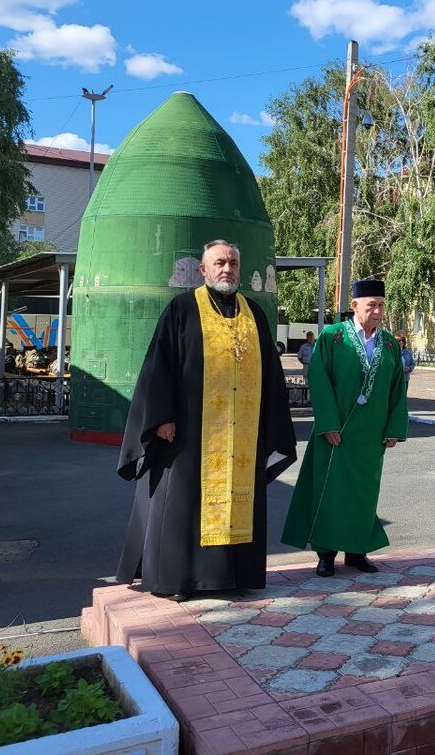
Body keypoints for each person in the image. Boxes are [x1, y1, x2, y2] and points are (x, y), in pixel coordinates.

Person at [116, 241, 297, 601]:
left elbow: (273, 377)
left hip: (242, 435)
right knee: (182, 505)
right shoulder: (182, 310)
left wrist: (271, 426)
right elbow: (158, 368)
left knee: (240, 501)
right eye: (219, 263)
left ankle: (236, 576)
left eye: (232, 262)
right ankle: (179, 580)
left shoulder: (254, 314)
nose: (226, 268)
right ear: (203, 270)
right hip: (189, 433)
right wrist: (162, 418)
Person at [281, 279, 409, 577]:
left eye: (381, 305)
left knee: (363, 495)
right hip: (336, 433)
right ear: (354, 306)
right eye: (371, 305)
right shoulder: (332, 336)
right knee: (330, 494)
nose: (377, 311)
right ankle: (326, 554)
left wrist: (393, 427)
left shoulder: (389, 342)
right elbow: (319, 379)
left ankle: (357, 552)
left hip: (370, 436)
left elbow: (397, 387)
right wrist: (327, 423)